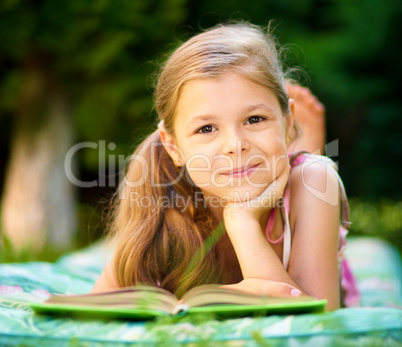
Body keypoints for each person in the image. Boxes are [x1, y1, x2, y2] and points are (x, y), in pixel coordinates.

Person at [90, 22, 360, 311]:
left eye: (254, 119)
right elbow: (91, 308)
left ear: (289, 120)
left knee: (311, 171)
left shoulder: (315, 182)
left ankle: (299, 152)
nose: (235, 144)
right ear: (172, 147)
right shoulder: (162, 201)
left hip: (301, 197)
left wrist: (241, 222)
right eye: (206, 128)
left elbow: (317, 320)